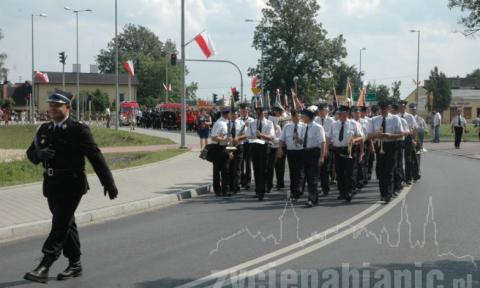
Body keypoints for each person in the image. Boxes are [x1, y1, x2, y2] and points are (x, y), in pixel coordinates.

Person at [24, 89, 118, 284]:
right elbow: (31, 153)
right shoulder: (44, 129)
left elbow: (95, 156)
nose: (52, 109)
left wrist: (108, 182)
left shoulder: (78, 129)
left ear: (68, 107)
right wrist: (38, 156)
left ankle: (45, 264)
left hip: (72, 184)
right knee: (67, 223)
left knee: (59, 224)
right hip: (51, 185)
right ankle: (75, 264)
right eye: (50, 105)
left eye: (57, 105)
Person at [369, 101, 404, 203]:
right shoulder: (374, 120)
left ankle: (388, 194)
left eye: (385, 109)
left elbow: (401, 134)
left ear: (388, 108)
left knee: (389, 171)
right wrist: (376, 134)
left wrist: (389, 135)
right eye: (382, 109)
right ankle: (382, 193)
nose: (383, 111)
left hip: (391, 145)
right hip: (379, 145)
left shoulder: (395, 119)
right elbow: (369, 135)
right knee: (380, 171)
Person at [327, 105, 364, 203]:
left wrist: (354, 140)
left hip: (350, 150)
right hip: (337, 150)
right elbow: (328, 138)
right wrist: (326, 150)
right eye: (339, 113)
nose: (339, 115)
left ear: (347, 114)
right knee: (339, 172)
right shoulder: (334, 124)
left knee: (350, 172)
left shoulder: (354, 124)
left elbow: (361, 138)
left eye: (341, 113)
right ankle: (342, 192)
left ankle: (349, 191)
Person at [300, 106, 326, 207]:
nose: (302, 117)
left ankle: (312, 199)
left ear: (309, 117)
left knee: (313, 177)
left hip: (314, 153)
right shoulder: (304, 127)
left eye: (304, 115)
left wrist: (322, 156)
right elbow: (304, 141)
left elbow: (322, 142)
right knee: (307, 176)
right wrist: (298, 140)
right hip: (305, 153)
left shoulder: (318, 127)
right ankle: (313, 198)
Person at [246, 106, 274, 201]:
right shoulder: (252, 123)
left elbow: (271, 137)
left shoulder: (269, 123)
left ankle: (262, 190)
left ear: (264, 113)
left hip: (264, 147)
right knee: (256, 169)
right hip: (254, 146)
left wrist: (261, 135)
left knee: (263, 169)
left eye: (261, 113)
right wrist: (252, 137)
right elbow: (248, 135)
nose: (259, 114)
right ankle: (258, 190)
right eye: (258, 113)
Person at [277, 109, 305, 202]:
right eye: (294, 116)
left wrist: (299, 140)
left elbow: (306, 141)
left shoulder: (304, 126)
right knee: (292, 172)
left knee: (300, 171)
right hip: (291, 151)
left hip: (301, 151)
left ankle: (298, 190)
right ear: (292, 117)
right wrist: (280, 149)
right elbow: (281, 139)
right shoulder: (287, 126)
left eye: (298, 116)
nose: (296, 118)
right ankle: (293, 190)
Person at [210, 108, 232, 197]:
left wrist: (230, 151)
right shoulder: (219, 123)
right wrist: (224, 139)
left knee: (225, 170)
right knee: (217, 170)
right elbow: (213, 137)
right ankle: (217, 190)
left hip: (225, 147)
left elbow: (229, 139)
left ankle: (225, 190)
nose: (229, 115)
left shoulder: (227, 122)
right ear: (225, 114)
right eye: (229, 113)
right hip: (218, 148)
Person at [314, 103, 335, 195]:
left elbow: (333, 135)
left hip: (328, 145)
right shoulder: (315, 120)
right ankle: (318, 187)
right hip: (317, 147)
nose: (322, 113)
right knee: (317, 168)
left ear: (327, 111)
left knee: (325, 168)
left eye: (323, 111)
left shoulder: (331, 121)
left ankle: (325, 188)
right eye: (320, 111)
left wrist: (326, 147)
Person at [239, 103, 254, 190]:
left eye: (245, 110)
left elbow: (255, 133)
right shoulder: (238, 120)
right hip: (241, 143)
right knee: (240, 163)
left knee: (248, 163)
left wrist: (249, 128)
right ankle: (241, 180)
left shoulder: (252, 120)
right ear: (240, 111)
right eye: (242, 110)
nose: (244, 112)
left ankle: (248, 181)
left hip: (249, 143)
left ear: (248, 111)